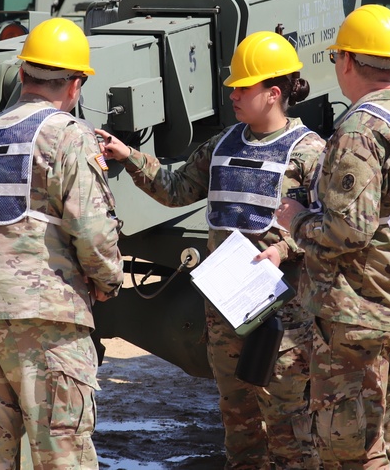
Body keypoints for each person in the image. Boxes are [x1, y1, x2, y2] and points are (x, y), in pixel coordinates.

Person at [97, 31, 324, 470]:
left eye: (243, 87)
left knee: (288, 427)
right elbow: (176, 188)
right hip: (225, 313)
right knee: (238, 426)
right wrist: (128, 155)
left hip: (282, 320)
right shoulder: (224, 144)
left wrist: (283, 249)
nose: (233, 95)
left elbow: (330, 225)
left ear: (274, 93)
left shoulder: (310, 153)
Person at [276, 4, 390, 469]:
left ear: (348, 61)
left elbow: (348, 229)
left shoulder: (359, 130)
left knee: (350, 451)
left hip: (358, 317)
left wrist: (294, 219)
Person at [0, 18, 124, 469]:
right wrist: (108, 281)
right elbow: (93, 229)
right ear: (76, 84)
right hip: (44, 319)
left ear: (22, 75)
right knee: (61, 454)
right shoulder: (69, 135)